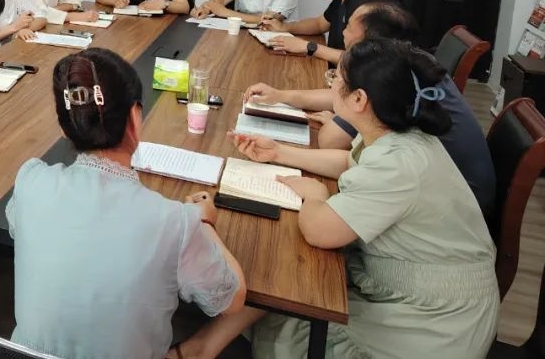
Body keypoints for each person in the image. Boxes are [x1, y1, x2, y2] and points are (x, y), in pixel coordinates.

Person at [187, 39, 499, 359]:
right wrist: (278, 152)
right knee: (289, 280)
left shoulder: (399, 163)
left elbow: (320, 231)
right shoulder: (393, 132)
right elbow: (350, 162)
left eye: (336, 77)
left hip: (436, 320)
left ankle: (200, 346)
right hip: (413, 282)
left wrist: (315, 196)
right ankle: (202, 346)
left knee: (290, 311)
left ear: (359, 99)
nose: (331, 83)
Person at [8, 48, 246, 359]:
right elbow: (232, 299)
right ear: (135, 116)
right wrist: (203, 221)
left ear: (66, 126)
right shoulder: (175, 223)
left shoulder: (30, 181)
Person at [244, 0, 495, 212]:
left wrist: (342, 121)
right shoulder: (407, 62)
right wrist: (282, 95)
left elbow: (330, 140)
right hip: (443, 188)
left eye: (349, 26)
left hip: (456, 203)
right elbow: (337, 98)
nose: (342, 32)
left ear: (370, 42)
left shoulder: (388, 78)